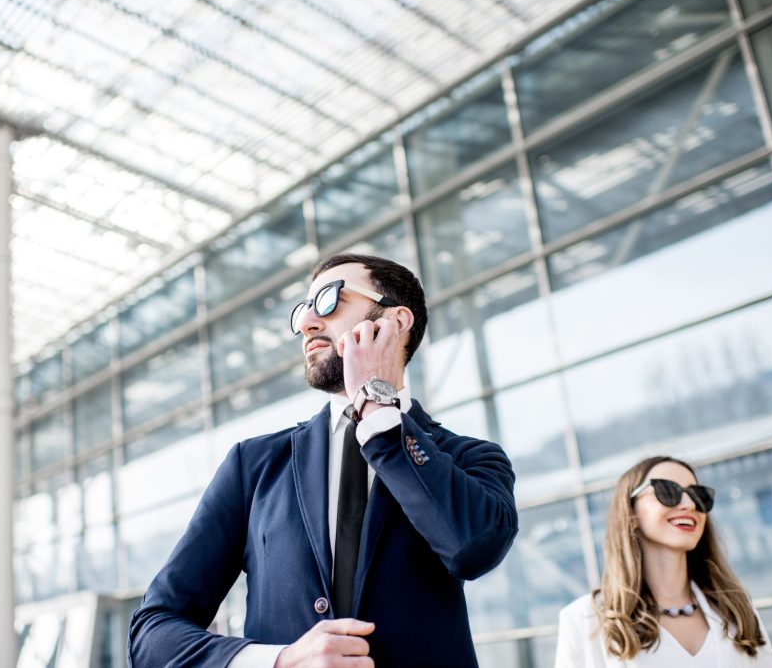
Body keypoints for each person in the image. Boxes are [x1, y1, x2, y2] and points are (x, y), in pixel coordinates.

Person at [129, 253, 518, 667]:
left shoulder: (469, 458)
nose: (307, 323)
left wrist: (377, 405)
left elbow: (473, 548)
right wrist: (279, 661)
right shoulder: (255, 464)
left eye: (330, 301)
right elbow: (153, 633)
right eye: (302, 310)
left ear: (395, 321)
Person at [555, 456, 772, 667]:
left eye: (698, 495)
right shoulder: (582, 620)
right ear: (631, 515)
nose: (689, 504)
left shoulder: (737, 608)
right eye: (667, 491)